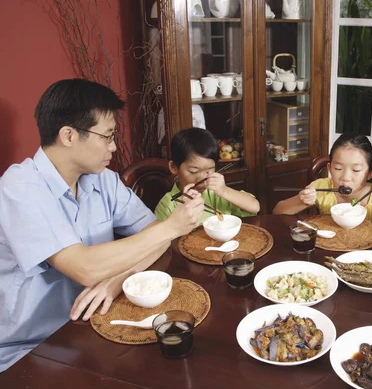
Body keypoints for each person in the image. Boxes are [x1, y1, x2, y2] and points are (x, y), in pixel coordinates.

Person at [0, 79, 206, 372]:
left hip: (93, 326)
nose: (113, 146)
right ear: (69, 135)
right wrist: (172, 227)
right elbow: (84, 267)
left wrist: (119, 278)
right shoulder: (19, 188)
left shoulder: (102, 179)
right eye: (106, 136)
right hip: (31, 347)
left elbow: (153, 236)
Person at [273, 134, 372, 225]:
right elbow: (277, 212)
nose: (346, 177)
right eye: (338, 169)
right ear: (329, 168)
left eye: (356, 170)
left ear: (370, 173)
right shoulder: (321, 187)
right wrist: (300, 200)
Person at [154, 127, 260, 223]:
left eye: (209, 171)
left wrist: (224, 191)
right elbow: (161, 240)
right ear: (174, 167)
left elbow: (255, 207)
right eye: (193, 171)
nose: (202, 178)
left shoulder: (216, 193)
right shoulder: (167, 204)